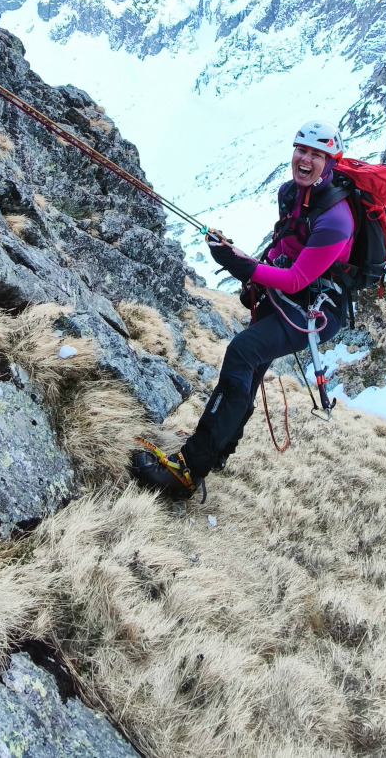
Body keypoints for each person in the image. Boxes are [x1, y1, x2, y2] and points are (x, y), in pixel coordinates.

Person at [131, 119, 355, 498]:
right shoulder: (291, 193)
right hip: (286, 297)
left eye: (317, 155)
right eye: (301, 150)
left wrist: (245, 268)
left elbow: (299, 278)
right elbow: (284, 249)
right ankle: (217, 449)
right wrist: (239, 256)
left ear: (332, 162)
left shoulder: (336, 219)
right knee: (248, 369)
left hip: (317, 309)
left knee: (242, 352)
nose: (305, 159)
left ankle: (189, 470)